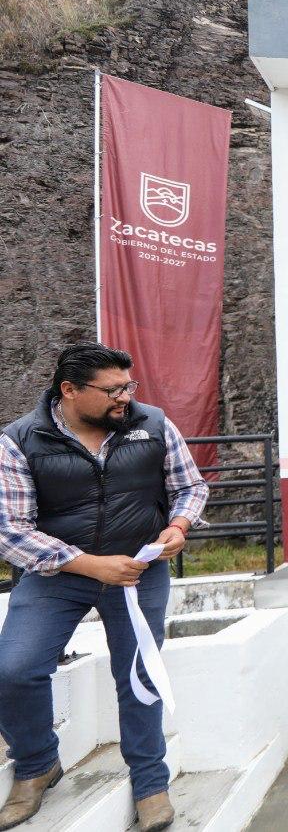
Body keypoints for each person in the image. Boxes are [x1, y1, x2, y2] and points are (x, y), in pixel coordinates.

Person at [0, 343, 208, 832]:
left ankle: (151, 783)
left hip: (138, 571)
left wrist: (178, 525)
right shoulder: (19, 440)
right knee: (14, 670)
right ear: (69, 390)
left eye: (127, 386)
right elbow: (11, 529)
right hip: (58, 576)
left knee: (139, 676)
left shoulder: (154, 424)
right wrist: (89, 565)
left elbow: (190, 487)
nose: (125, 397)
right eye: (112, 390)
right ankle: (37, 764)